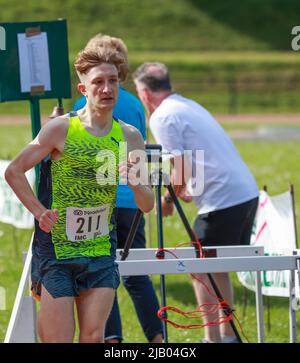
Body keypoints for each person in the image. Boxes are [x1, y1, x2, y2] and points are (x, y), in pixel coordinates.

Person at [5, 44, 154, 343]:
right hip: (57, 252)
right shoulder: (61, 129)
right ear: (83, 88)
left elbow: (147, 204)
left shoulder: (129, 136)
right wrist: (39, 211)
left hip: (99, 250)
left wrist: (136, 183)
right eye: (98, 82)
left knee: (93, 336)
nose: (107, 88)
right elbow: (14, 171)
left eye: (112, 81)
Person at [132, 62, 259, 343]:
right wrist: (188, 185)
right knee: (215, 266)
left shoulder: (162, 116)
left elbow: (181, 166)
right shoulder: (186, 104)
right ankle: (226, 336)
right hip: (244, 192)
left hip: (224, 198)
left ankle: (212, 338)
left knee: (198, 267)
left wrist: (168, 198)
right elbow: (195, 162)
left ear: (144, 94)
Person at [72, 34, 163, 343]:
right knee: (137, 275)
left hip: (100, 202)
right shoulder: (135, 103)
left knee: (102, 274)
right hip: (132, 201)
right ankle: (157, 339)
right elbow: (141, 144)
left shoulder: (82, 102)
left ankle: (112, 339)